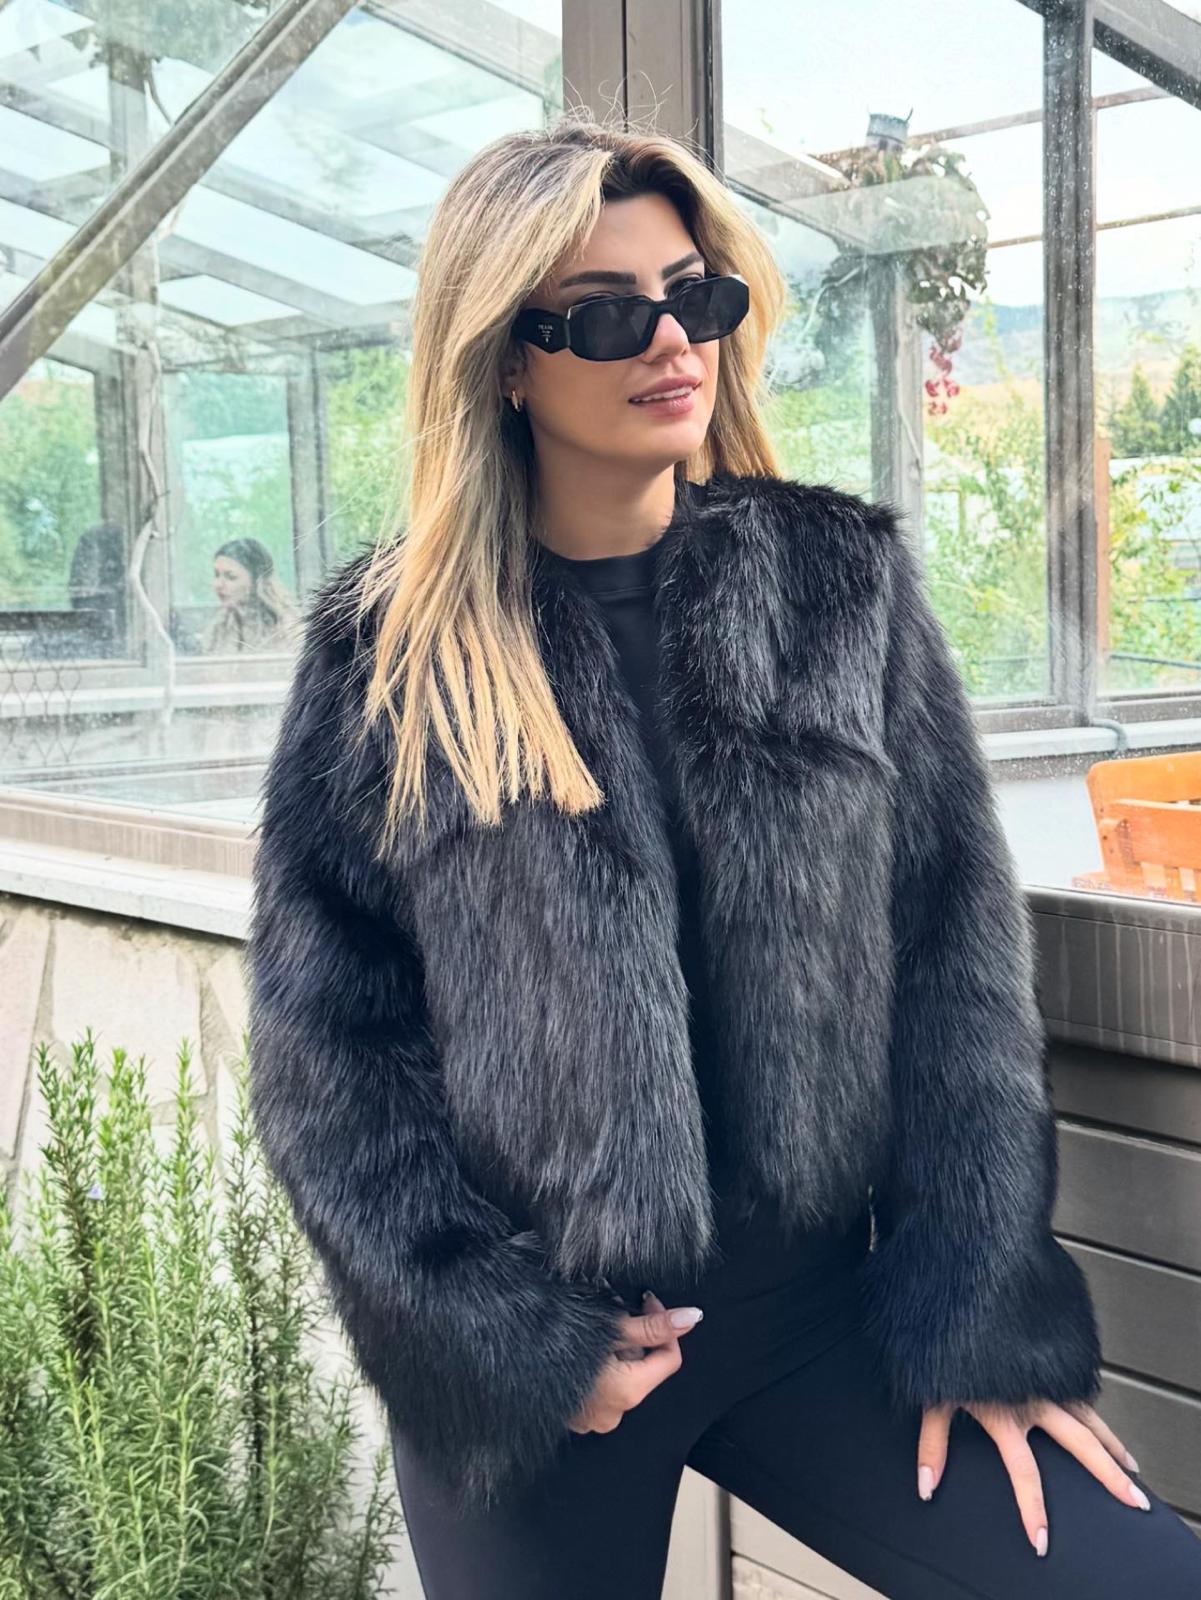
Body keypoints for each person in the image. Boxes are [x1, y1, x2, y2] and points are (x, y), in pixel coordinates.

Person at [245, 112, 1201, 1599]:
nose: (668, 340)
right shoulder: (393, 657)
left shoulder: (837, 586)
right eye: (604, 313)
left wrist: (979, 1310)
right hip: (549, 1356)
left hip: (821, 1314)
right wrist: (490, 1333)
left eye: (694, 294)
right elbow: (329, 1049)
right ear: (505, 359)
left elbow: (953, 958)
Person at [198, 537, 299, 654]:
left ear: (257, 582)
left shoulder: (286, 627)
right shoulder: (219, 625)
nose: (218, 585)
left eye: (231, 577)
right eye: (217, 575)